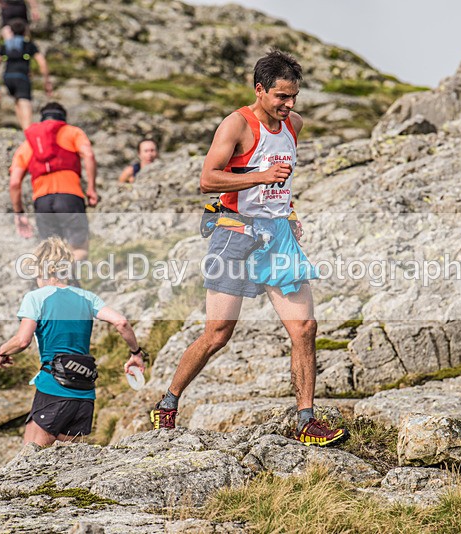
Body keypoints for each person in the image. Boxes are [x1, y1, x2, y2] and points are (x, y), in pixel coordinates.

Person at [149, 50, 348, 447]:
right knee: (218, 334)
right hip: (234, 234)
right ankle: (168, 403)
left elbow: (283, 180)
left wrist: (287, 210)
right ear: (260, 90)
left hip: (278, 238)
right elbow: (208, 179)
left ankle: (306, 420)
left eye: (294, 97)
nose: (289, 105)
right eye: (281, 97)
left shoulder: (295, 125)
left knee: (306, 328)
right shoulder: (236, 124)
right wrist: (259, 177)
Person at [0, 237, 147, 447]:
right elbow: (121, 322)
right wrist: (136, 354)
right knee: (69, 467)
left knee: (31, 459)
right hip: (85, 392)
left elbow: (22, 341)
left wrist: (2, 351)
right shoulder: (88, 297)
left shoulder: (36, 297)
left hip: (53, 388)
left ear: (41, 269)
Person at [9, 102, 99, 261]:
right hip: (70, 196)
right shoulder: (72, 132)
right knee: (79, 249)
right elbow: (89, 156)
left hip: (42, 201)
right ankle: (68, 277)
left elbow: (15, 182)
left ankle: (53, 279)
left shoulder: (30, 142)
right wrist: (91, 188)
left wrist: (19, 213)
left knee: (51, 254)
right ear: (63, 117)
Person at [0, 18, 51, 130]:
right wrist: (46, 81)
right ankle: (28, 133)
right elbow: (42, 62)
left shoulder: (5, 46)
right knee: (25, 102)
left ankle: (24, 129)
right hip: (22, 77)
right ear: (25, 31)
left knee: (17, 101)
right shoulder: (29, 45)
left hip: (7, 77)